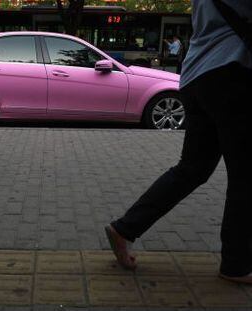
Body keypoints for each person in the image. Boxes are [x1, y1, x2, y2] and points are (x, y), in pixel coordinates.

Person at [105, 0, 252, 284]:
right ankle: (236, 263)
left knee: (193, 168)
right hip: (232, 71)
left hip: (197, 74)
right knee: (245, 175)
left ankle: (125, 228)